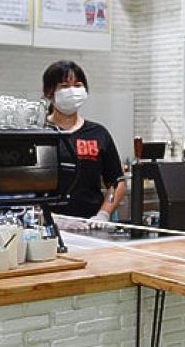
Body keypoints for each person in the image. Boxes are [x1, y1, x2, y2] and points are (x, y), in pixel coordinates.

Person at [42, 60, 125, 224]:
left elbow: (116, 182)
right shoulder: (37, 132)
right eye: (65, 86)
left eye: (78, 85)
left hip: (90, 225)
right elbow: (18, 187)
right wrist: (46, 218)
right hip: (45, 227)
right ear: (49, 92)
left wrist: (103, 214)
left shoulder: (98, 133)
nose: (72, 91)